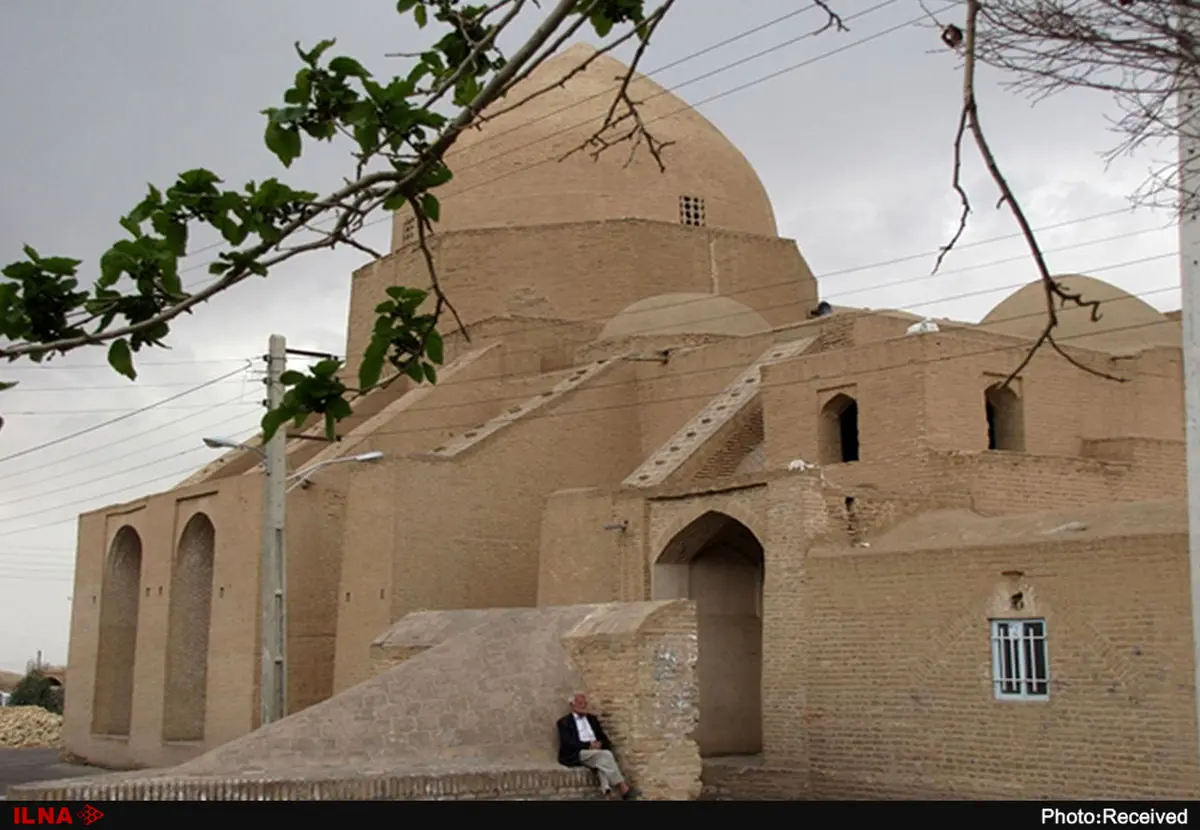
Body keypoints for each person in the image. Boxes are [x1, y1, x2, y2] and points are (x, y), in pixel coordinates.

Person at [556, 692, 639, 800]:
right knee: (605, 755)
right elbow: (568, 743)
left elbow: (604, 739)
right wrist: (588, 745)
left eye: (585, 703)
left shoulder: (592, 719)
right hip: (578, 753)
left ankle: (607, 793)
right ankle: (623, 787)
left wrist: (599, 744)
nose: (583, 705)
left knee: (601, 763)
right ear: (572, 705)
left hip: (595, 753)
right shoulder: (564, 722)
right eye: (580, 703)